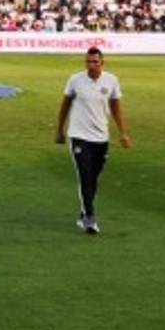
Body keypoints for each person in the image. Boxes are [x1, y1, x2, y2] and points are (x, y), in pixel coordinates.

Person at [55, 47, 131, 235]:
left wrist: (123, 133)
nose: (91, 65)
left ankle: (83, 212)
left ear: (102, 63)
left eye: (95, 62)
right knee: (85, 175)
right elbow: (65, 104)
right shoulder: (75, 80)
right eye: (88, 62)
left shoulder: (111, 81)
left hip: (101, 137)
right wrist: (60, 130)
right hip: (79, 135)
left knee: (94, 178)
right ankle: (90, 217)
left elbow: (116, 107)